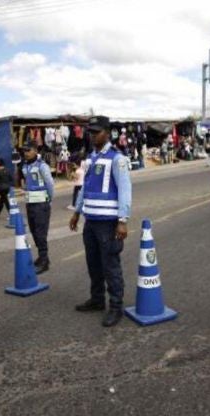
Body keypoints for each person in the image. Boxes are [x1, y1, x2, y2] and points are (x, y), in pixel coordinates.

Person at [69, 115, 132, 327]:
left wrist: (122, 220)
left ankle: (116, 307)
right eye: (91, 132)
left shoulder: (118, 159)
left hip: (108, 223)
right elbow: (85, 188)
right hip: (91, 221)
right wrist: (77, 212)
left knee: (110, 266)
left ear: (107, 132)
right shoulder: (91, 158)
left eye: (97, 132)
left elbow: (125, 190)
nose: (93, 135)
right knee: (93, 264)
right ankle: (97, 300)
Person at [22, 143, 55, 274]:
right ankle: (42, 257)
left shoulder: (42, 166)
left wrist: (49, 200)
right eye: (24, 151)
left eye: (28, 150)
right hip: (30, 203)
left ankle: (44, 260)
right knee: (34, 231)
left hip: (41, 204)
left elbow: (50, 184)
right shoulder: (25, 166)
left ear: (35, 151)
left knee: (41, 233)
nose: (25, 153)